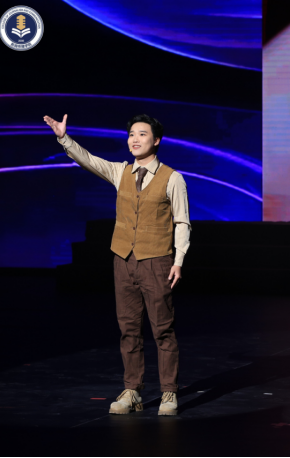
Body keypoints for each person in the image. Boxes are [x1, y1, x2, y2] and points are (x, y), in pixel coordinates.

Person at [43, 113, 191, 416]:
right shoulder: (120, 171)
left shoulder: (172, 178)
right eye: (131, 134)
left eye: (142, 134)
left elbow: (182, 222)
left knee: (162, 329)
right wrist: (63, 138)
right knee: (128, 329)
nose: (134, 139)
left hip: (156, 261)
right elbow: (89, 161)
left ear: (156, 140)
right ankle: (132, 390)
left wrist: (178, 261)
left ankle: (169, 392)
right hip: (123, 260)